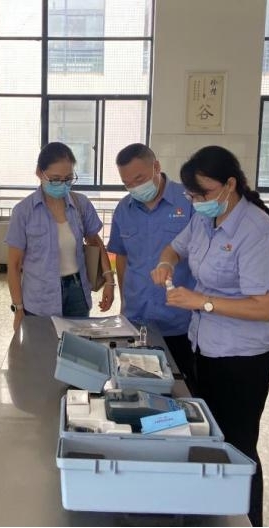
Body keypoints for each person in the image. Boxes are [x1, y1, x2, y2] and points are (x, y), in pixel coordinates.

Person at [150, 145, 269, 527]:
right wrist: (165, 263)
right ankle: (212, 512)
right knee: (210, 434)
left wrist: (202, 302)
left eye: (203, 194)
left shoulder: (257, 231)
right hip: (205, 345)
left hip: (244, 357)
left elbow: (264, 307)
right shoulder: (204, 219)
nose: (197, 202)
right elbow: (174, 248)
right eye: (192, 196)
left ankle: (248, 518)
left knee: (238, 444)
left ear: (230, 184)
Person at [106, 143, 197, 393]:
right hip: (137, 319)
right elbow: (122, 256)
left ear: (156, 167)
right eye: (127, 183)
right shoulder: (124, 210)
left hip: (179, 321)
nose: (135, 187)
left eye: (139, 179)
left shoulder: (189, 201)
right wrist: (124, 302)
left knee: (181, 390)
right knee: (138, 388)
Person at [5, 142, 114, 331]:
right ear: (39, 173)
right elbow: (13, 266)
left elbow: (95, 242)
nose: (63, 185)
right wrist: (18, 309)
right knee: (43, 345)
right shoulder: (24, 212)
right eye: (55, 179)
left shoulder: (81, 204)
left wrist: (109, 281)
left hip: (77, 292)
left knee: (78, 345)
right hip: (40, 297)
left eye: (68, 179)